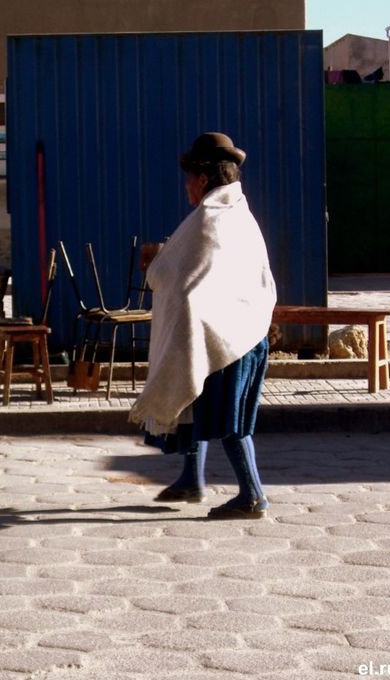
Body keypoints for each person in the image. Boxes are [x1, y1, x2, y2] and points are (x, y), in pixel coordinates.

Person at [129, 132, 277, 520]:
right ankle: (192, 480)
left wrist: (156, 266)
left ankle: (252, 495)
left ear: (204, 179)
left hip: (228, 338)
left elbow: (176, 274)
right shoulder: (235, 211)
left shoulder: (213, 218)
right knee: (192, 404)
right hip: (231, 329)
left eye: (189, 178)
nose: (186, 187)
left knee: (230, 420)